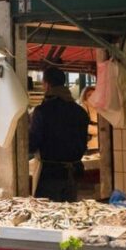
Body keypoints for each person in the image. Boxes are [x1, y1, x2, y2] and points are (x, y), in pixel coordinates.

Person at [28, 67, 89, 202]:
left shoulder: (42, 111)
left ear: (47, 85)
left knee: (46, 216)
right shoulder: (80, 112)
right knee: (68, 213)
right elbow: (83, 144)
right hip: (74, 174)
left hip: (49, 175)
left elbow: (32, 144)